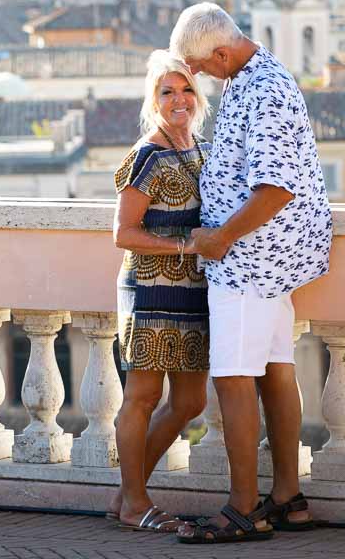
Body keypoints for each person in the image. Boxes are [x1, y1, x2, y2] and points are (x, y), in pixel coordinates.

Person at [169, 3, 333, 545]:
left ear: (220, 52)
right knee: (276, 371)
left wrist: (219, 237)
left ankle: (244, 508)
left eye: (199, 67)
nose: (198, 78)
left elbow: (276, 187)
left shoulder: (262, 90)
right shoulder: (253, 77)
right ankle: (287, 497)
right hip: (271, 259)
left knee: (234, 377)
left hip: (251, 259)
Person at [107, 49, 211, 533]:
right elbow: (123, 232)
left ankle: (126, 496)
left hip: (191, 294)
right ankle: (135, 503)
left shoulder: (198, 149)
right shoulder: (148, 154)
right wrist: (184, 246)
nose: (179, 99)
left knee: (191, 402)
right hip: (149, 291)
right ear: (154, 100)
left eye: (186, 88)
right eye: (167, 91)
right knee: (143, 398)